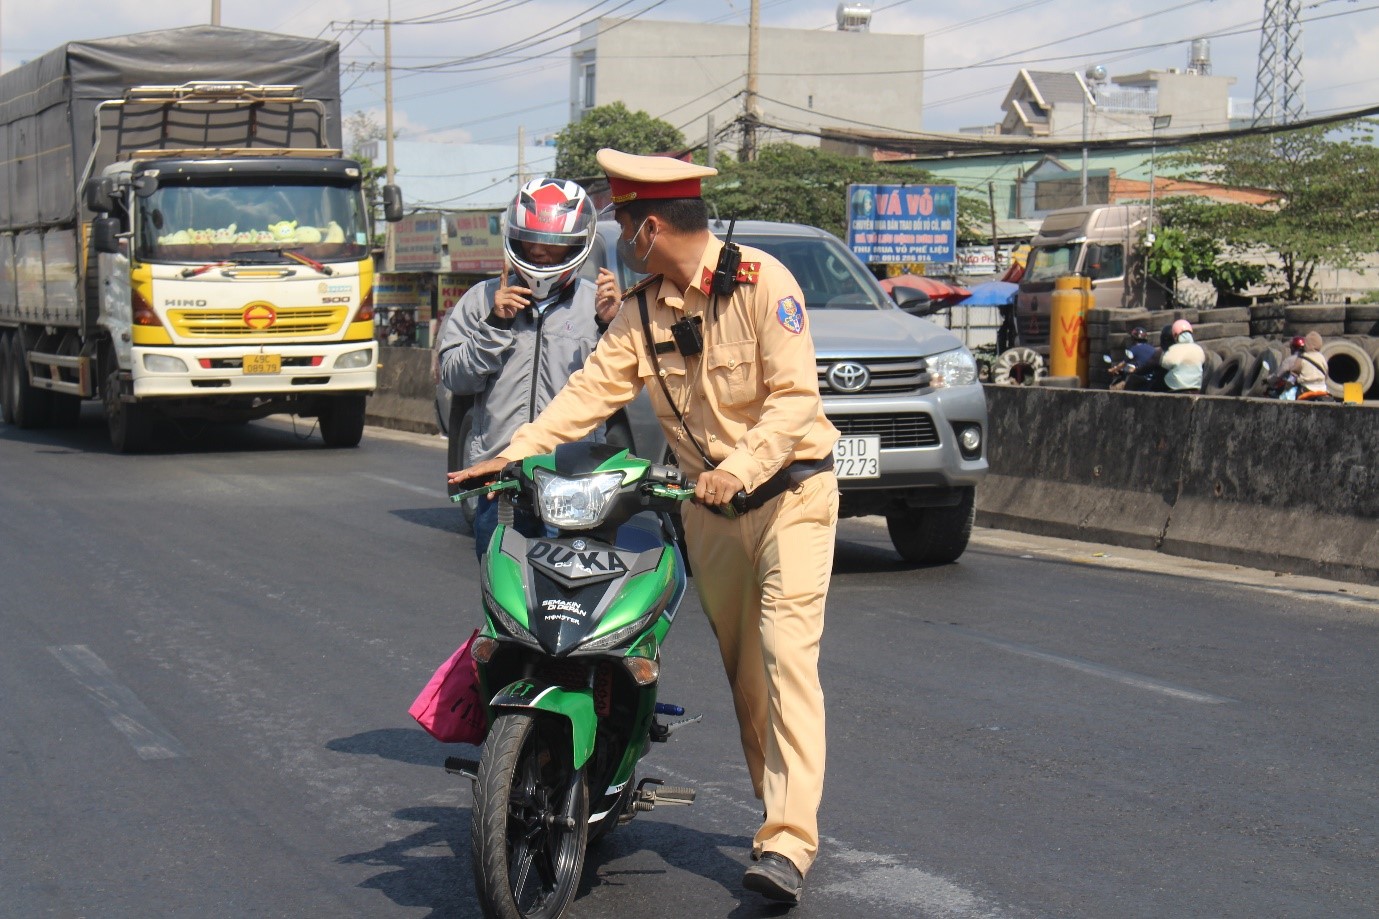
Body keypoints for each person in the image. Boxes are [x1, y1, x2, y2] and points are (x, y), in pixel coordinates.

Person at [448, 148, 841, 906]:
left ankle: (787, 842)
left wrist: (743, 462)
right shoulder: (638, 311)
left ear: (649, 226)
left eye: (624, 222)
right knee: (747, 678)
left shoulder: (763, 286)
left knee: (787, 656)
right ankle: (777, 812)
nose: (619, 236)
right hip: (707, 512)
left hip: (790, 496)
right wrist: (509, 455)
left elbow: (794, 400)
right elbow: (587, 394)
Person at [436, 177, 621, 558]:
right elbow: (455, 376)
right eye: (532, 246)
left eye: (553, 249)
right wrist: (495, 324)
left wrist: (610, 326)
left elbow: (619, 384)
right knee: (504, 595)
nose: (540, 256)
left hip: (574, 481)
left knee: (573, 594)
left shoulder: (597, 306)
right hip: (502, 477)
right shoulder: (480, 301)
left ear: (576, 246)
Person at [1269, 331, 1329, 399]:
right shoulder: (1323, 358)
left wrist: (1287, 388)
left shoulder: (1302, 358)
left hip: (1306, 389)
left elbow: (1293, 376)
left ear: (1307, 344)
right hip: (1323, 389)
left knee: (1286, 397)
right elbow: (1326, 375)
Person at [1159, 318, 1207, 392]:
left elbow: (1164, 364)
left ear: (1175, 335)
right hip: (1196, 386)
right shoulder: (1198, 348)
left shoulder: (1173, 349)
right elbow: (1203, 361)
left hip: (1176, 387)